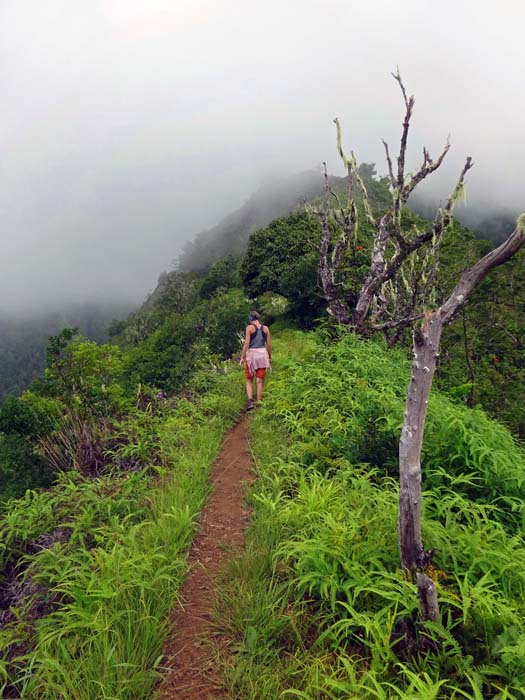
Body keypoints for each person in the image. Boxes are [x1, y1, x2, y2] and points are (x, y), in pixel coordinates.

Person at [240, 311, 272, 411]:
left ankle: (250, 401)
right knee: (260, 380)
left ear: (250, 319)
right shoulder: (265, 328)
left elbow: (246, 344)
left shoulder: (249, 328)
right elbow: (269, 345)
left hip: (252, 356)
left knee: (249, 378)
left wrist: (242, 357)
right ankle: (259, 401)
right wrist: (269, 357)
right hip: (262, 355)